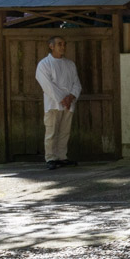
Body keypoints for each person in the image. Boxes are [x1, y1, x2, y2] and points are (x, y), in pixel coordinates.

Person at [34, 34, 82, 169]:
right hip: (53, 103)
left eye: (64, 44)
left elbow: (76, 83)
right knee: (51, 131)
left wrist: (71, 97)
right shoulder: (44, 64)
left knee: (64, 131)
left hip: (68, 103)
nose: (63, 46)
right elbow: (47, 85)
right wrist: (63, 99)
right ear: (51, 46)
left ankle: (62, 157)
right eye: (59, 44)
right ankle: (50, 158)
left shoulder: (70, 64)